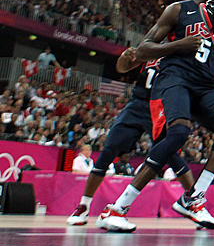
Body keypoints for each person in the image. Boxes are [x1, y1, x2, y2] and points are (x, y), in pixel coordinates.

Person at [96, 0, 214, 233]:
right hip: (174, 78)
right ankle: (116, 209)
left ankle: (193, 196)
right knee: (178, 133)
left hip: (204, 84)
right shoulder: (177, 10)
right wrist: (177, 45)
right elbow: (143, 49)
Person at [67, 37, 202, 225]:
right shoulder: (152, 47)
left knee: (171, 154)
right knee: (108, 150)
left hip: (160, 107)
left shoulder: (183, 55)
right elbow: (122, 67)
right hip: (137, 104)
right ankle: (83, 206)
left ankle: (196, 205)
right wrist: (125, 57)